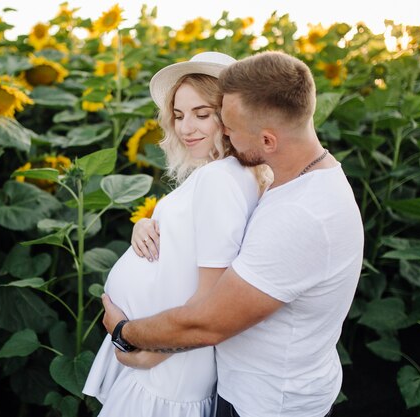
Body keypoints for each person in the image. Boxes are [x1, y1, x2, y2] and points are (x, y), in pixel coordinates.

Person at [101, 50, 365, 417]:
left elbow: (207, 322)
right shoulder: (292, 180)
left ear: (268, 141)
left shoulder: (300, 213)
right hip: (247, 385)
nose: (225, 135)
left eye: (230, 126)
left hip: (263, 402)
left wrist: (125, 333)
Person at [83, 52, 272, 417]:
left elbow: (211, 301)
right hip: (166, 362)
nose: (186, 128)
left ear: (231, 115)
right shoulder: (225, 172)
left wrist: (146, 353)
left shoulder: (220, 178)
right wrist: (149, 223)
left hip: (167, 368)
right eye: (179, 115)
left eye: (202, 114)